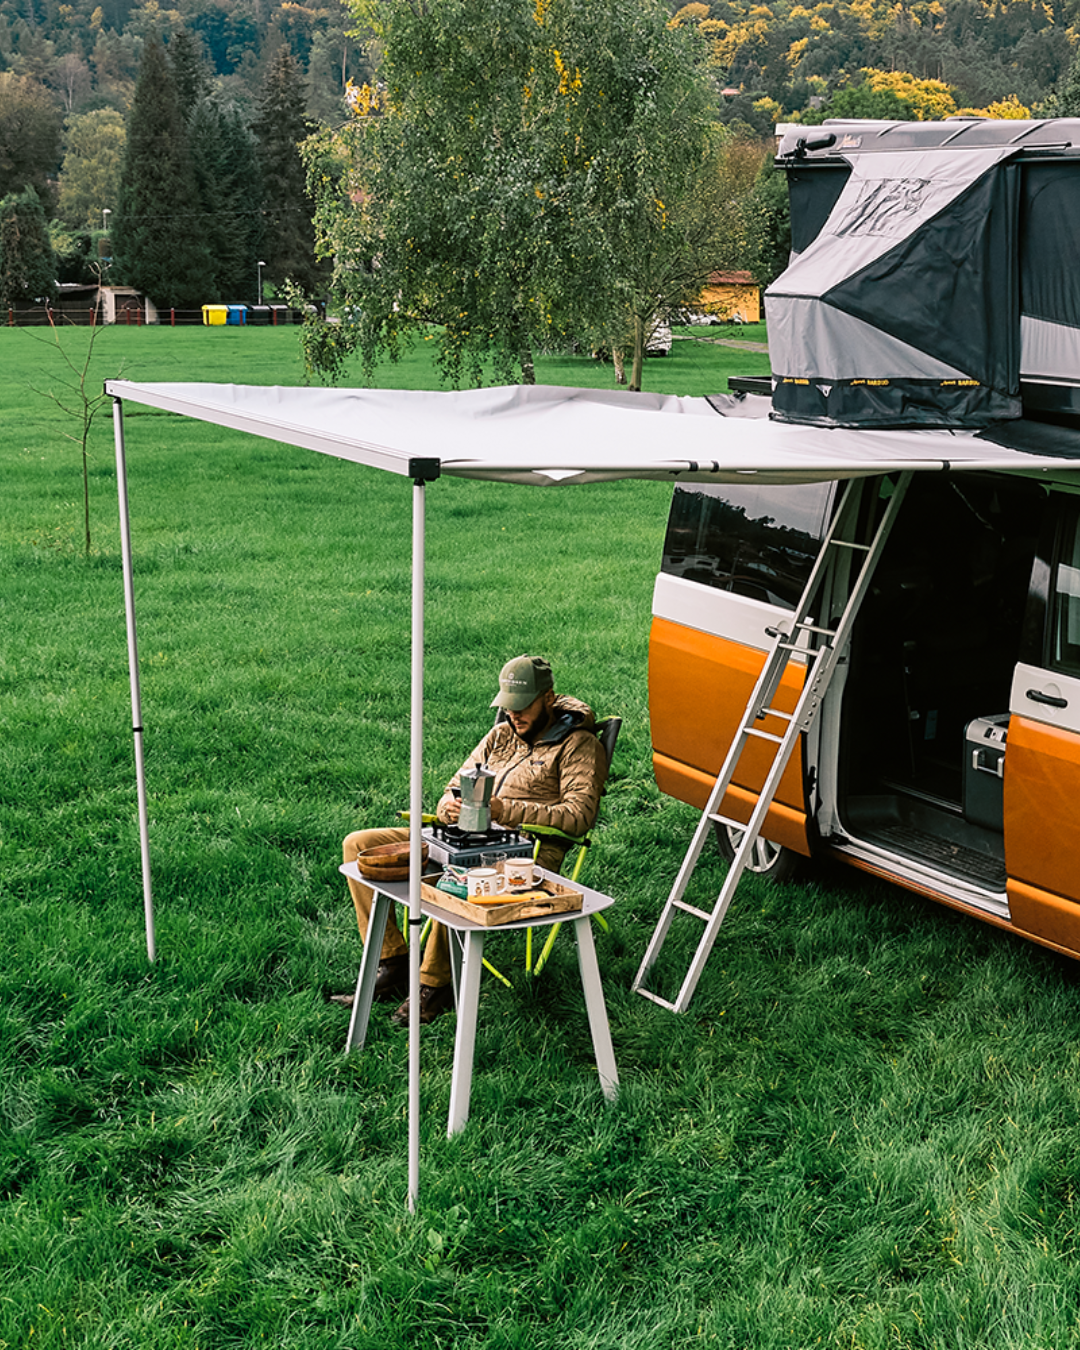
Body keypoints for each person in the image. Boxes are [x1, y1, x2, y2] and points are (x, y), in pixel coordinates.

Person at [340, 655, 608, 1025]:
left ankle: (435, 985)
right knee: (359, 846)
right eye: (508, 707)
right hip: (460, 836)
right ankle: (393, 963)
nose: (514, 715)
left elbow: (579, 817)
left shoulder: (579, 746)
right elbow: (453, 786)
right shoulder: (500, 735)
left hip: (521, 855)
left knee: (459, 877)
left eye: (523, 706)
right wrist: (449, 805)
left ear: (548, 698)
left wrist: (504, 810)